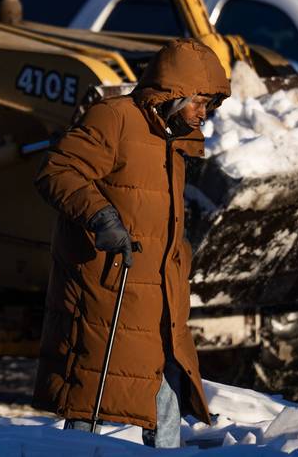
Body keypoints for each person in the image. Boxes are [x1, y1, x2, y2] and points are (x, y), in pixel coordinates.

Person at [33, 38, 231, 448]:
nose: (204, 113)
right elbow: (59, 171)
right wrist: (101, 216)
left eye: (210, 105)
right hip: (106, 289)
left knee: (164, 384)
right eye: (199, 102)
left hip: (158, 295)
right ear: (174, 92)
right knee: (91, 388)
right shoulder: (114, 118)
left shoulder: (173, 138)